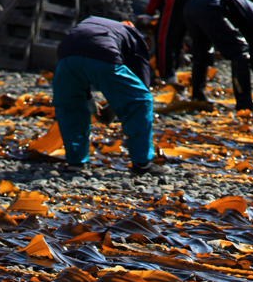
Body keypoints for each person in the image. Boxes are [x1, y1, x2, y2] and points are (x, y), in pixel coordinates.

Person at [52, 15, 167, 177]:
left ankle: (76, 162)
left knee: (71, 107)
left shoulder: (90, 22)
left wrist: (90, 101)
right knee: (141, 101)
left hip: (67, 55)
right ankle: (142, 164)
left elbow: (80, 57)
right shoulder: (133, 35)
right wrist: (115, 107)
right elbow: (141, 85)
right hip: (104, 53)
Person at [124, 0, 200, 87]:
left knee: (164, 36)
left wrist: (148, 14)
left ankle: (167, 76)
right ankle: (176, 71)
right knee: (178, 32)